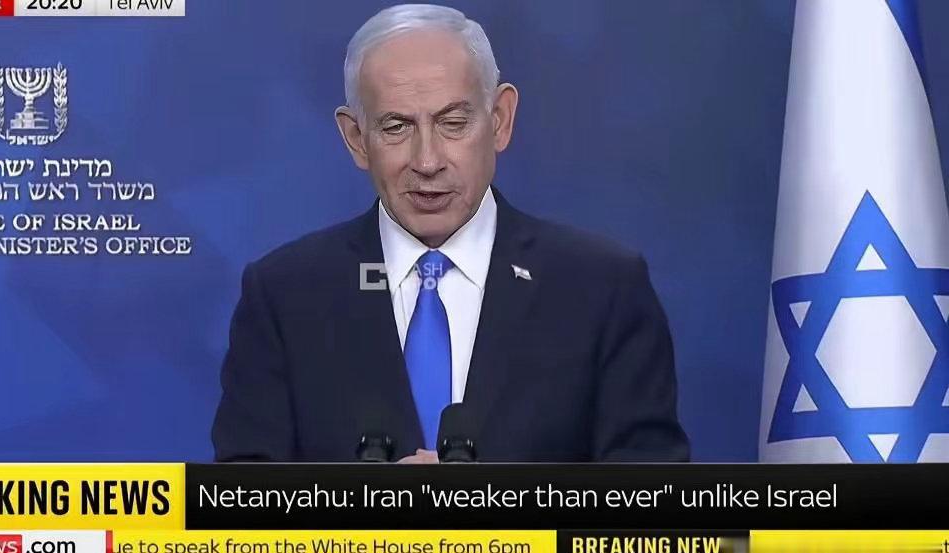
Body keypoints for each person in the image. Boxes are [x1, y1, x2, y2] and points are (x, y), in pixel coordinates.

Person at [212, 4, 689, 463]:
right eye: (396, 127)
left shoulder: (602, 289)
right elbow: (239, 501)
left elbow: (651, 500)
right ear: (356, 139)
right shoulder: (284, 296)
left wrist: (485, 507)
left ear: (500, 120)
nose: (427, 161)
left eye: (453, 124)